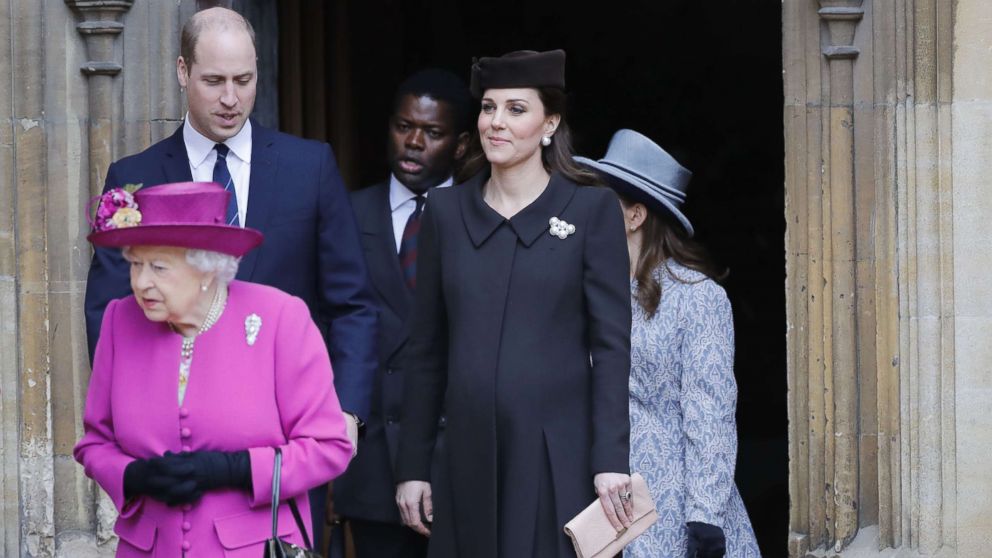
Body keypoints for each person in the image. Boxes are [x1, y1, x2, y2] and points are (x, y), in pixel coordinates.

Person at [80, 7, 376, 534]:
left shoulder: (311, 168)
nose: (231, 99)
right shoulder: (134, 178)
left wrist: (347, 414)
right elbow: (108, 314)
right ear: (181, 72)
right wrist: (135, 436)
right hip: (168, 456)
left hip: (279, 451)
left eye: (244, 80)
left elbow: (352, 304)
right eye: (214, 81)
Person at [394, 50, 634, 558]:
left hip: (557, 458)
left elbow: (611, 347)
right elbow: (427, 349)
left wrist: (610, 458)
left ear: (550, 122)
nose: (495, 122)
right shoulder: (445, 210)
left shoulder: (591, 211)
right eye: (487, 108)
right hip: (465, 456)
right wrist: (413, 467)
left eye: (515, 109)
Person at [74, 181, 353, 556]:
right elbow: (95, 443)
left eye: (158, 267)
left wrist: (235, 469)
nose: (141, 283)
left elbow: (329, 447)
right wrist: (134, 476)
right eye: (135, 264)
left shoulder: (279, 317)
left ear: (207, 268)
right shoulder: (119, 321)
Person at [576, 129, 761, 558]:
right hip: (598, 502)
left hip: (673, 509)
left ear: (635, 215)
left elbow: (710, 415)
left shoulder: (697, 296)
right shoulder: (587, 294)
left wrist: (705, 518)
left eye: (599, 202)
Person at [334, 68, 472, 558]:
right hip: (372, 468)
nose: (413, 142)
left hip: (461, 466)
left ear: (460, 145)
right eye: (403, 126)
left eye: (432, 133)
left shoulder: (485, 217)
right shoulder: (345, 214)